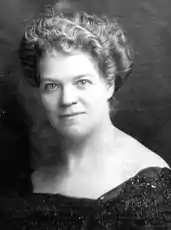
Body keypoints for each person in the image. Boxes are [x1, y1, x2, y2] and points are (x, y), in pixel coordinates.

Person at [1, 2, 171, 229]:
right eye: (52, 86)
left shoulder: (150, 182)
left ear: (109, 85)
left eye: (82, 82)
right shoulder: (35, 179)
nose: (67, 99)